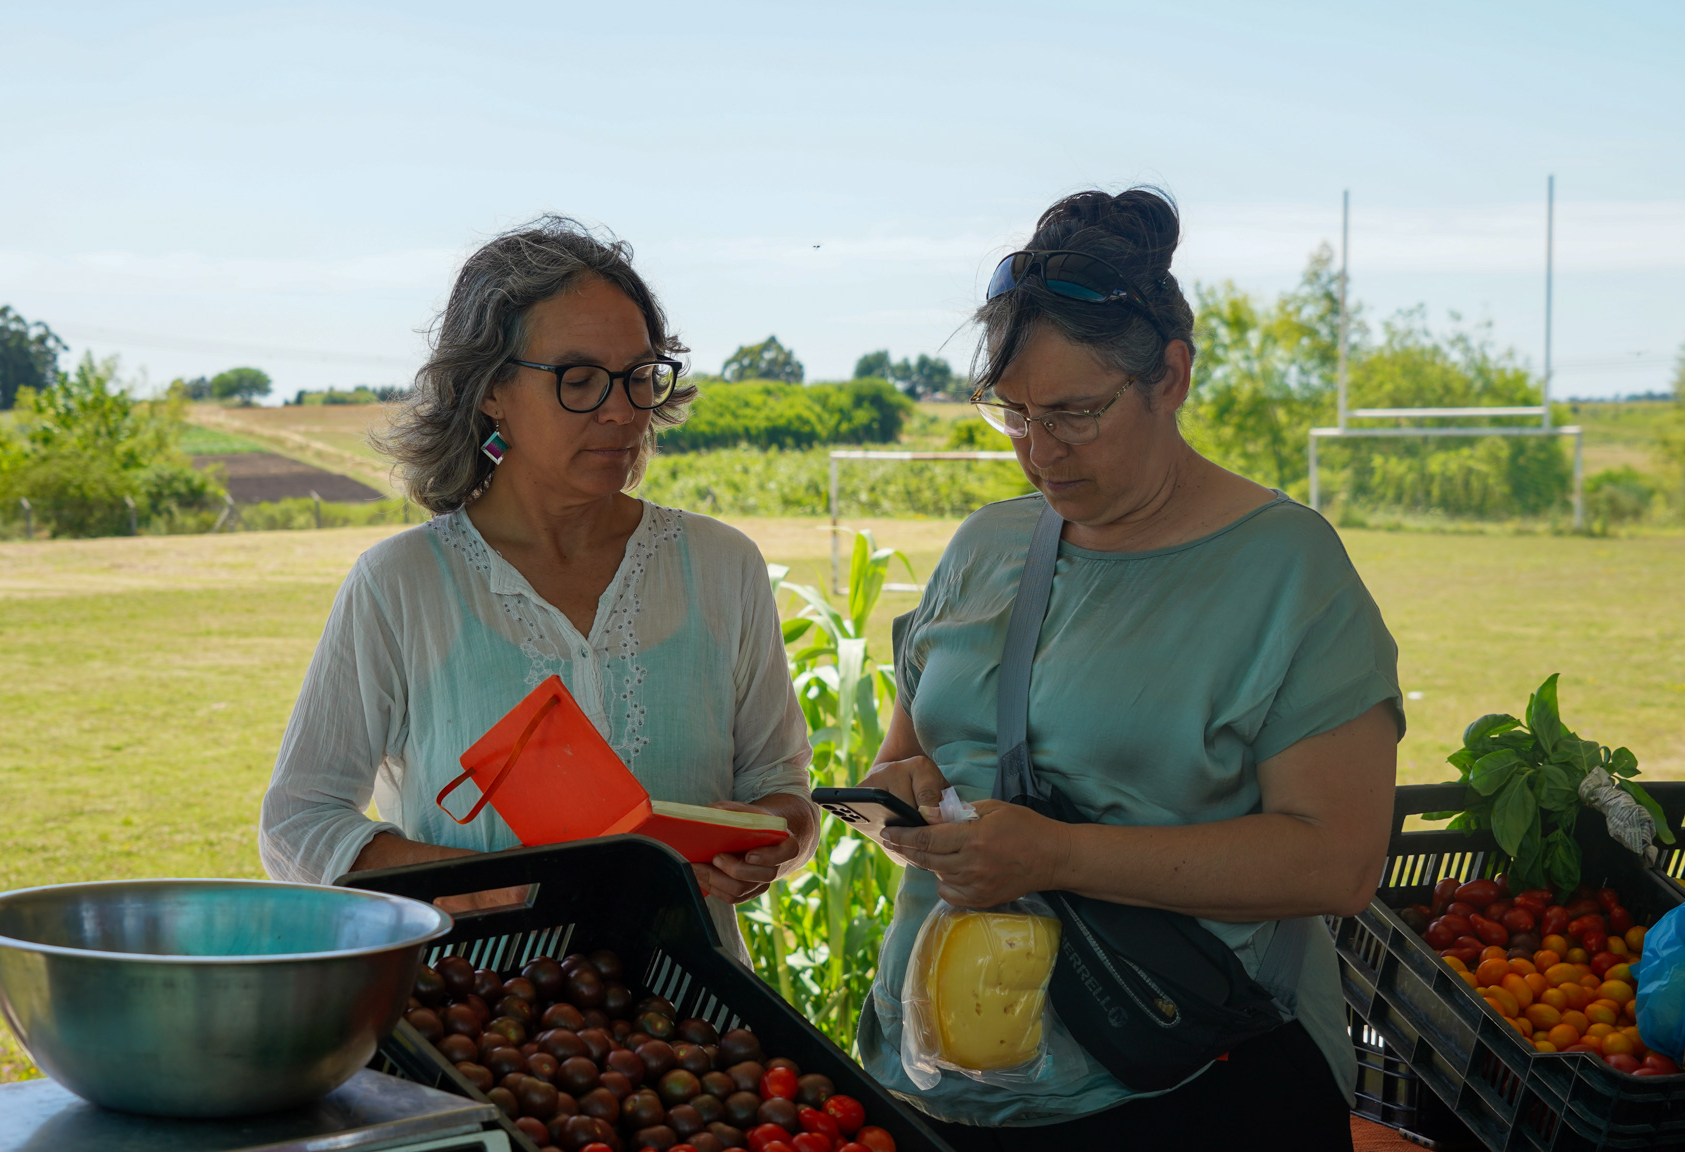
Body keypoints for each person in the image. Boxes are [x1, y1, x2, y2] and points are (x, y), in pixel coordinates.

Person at [854, 188, 1402, 1149]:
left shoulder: (1286, 569)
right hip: (941, 1081)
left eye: (1076, 413)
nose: (1039, 453)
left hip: (1183, 1086)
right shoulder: (985, 546)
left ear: (1171, 377)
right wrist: (906, 799)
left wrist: (1058, 857)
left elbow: (1338, 861)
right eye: (1013, 413)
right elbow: (908, 757)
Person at [259, 217, 817, 955]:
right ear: (491, 389)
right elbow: (298, 826)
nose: (621, 410)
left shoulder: (724, 566)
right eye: (578, 380)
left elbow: (784, 789)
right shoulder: (402, 585)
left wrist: (774, 838)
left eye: (639, 376)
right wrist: (503, 891)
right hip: (476, 1011)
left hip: (690, 1011)